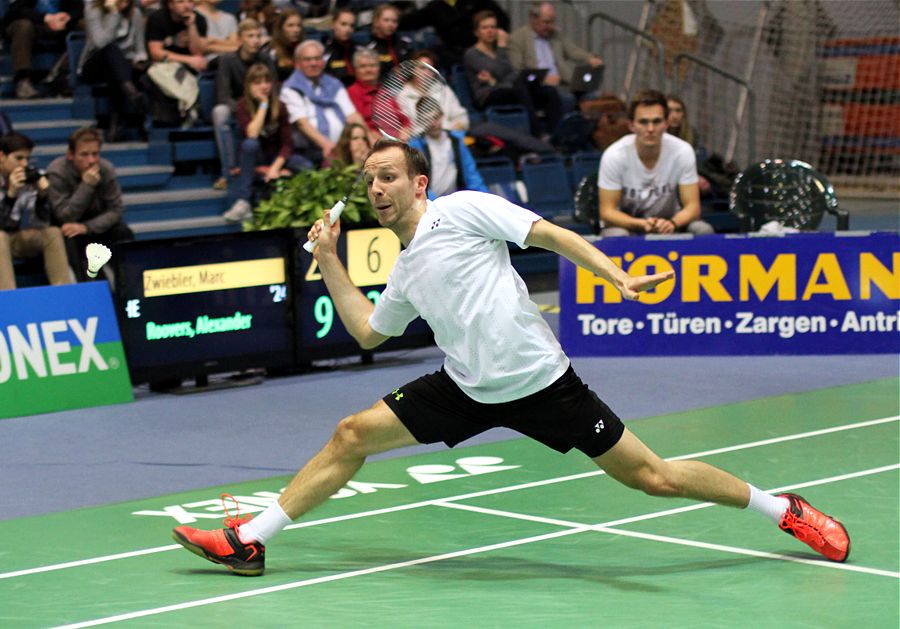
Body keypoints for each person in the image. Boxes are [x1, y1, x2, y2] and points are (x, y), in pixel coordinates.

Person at [172, 138, 851, 576]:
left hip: (544, 385)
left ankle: (782, 507)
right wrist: (327, 259)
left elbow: (548, 233)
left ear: (417, 181)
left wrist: (612, 274)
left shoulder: (463, 210)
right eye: (368, 180)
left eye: (387, 176)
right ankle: (251, 539)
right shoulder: (407, 267)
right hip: (465, 388)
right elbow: (368, 334)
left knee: (654, 478)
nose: (375, 188)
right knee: (351, 432)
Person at [598, 89, 714, 237]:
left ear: (666, 124)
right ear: (631, 125)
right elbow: (607, 212)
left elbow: (693, 207)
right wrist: (640, 224)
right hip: (629, 226)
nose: (651, 129)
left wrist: (673, 223)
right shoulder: (614, 155)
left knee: (703, 230)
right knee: (616, 234)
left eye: (656, 121)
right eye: (643, 122)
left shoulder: (682, 151)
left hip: (670, 223)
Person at [223, 63, 312, 222]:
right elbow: (252, 133)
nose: (264, 86)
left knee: (305, 165)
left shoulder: (281, 106)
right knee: (250, 144)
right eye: (257, 83)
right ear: (249, 86)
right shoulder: (242, 106)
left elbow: (287, 144)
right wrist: (264, 105)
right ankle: (244, 202)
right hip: (253, 158)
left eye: (267, 81)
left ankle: (303, 206)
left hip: (276, 158)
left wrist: (274, 168)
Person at [46, 127, 134, 281]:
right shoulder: (57, 172)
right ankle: (89, 288)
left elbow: (116, 210)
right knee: (69, 239)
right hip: (70, 229)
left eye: (95, 154)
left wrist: (87, 228)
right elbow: (65, 216)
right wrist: (86, 187)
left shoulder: (106, 169)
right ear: (70, 155)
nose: (91, 160)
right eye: (84, 155)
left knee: (123, 232)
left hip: (96, 227)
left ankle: (129, 285)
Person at [463, 9, 562, 137]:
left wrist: (495, 80)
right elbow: (499, 71)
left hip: (508, 89)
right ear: (477, 32)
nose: (490, 31)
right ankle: (537, 134)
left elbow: (512, 74)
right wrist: (502, 47)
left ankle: (556, 134)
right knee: (519, 89)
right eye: (485, 28)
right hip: (488, 95)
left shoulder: (498, 51)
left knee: (549, 91)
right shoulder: (472, 54)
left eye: (493, 27)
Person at [0, 132, 73, 290]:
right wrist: (11, 196)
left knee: (52, 232)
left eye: (27, 158)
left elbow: (40, 223)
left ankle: (65, 293)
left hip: (14, 238)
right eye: (19, 158)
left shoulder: (28, 178)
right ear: (2, 156)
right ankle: (7, 299)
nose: (24, 164)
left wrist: (41, 197)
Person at [212, 18, 275, 190]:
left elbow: (274, 89)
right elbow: (223, 96)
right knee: (220, 112)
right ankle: (227, 172)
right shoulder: (227, 60)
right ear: (240, 39)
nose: (256, 40)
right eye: (250, 36)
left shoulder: (265, 59)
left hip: (262, 106)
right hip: (237, 107)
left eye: (258, 36)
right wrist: (245, 108)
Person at [280, 39, 366, 166]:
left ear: (323, 61)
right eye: (308, 59)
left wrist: (369, 137)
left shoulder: (333, 83)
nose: (313, 63)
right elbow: (302, 124)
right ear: (298, 63)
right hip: (310, 150)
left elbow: (352, 115)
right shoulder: (291, 88)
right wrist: (327, 145)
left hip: (342, 147)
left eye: (317, 58)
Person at [507, 1, 603, 113]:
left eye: (553, 22)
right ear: (533, 19)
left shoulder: (556, 34)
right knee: (567, 99)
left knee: (592, 96)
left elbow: (572, 50)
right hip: (539, 86)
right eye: (546, 22)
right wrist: (543, 79)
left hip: (562, 81)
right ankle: (562, 128)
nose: (551, 26)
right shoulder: (518, 38)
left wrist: (590, 58)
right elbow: (517, 69)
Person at [79, 0, 149, 143]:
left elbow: (140, 48)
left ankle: (117, 124)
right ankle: (132, 95)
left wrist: (139, 60)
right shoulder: (93, 10)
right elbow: (100, 43)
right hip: (95, 64)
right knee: (112, 51)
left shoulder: (135, 13)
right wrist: (114, 13)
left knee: (121, 74)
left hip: (123, 69)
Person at [144, 0, 210, 126]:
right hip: (164, 65)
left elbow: (198, 52)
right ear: (171, 5)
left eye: (190, 1)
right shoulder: (158, 18)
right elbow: (156, 53)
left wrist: (192, 26)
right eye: (180, 1)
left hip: (190, 68)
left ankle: (189, 106)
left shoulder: (199, 19)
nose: (186, 5)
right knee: (157, 72)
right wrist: (189, 60)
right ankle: (189, 104)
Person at [3, 0, 84, 99]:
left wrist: (68, 18)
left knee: (82, 25)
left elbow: (79, 8)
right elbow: (16, 10)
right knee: (23, 26)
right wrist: (46, 18)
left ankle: (64, 75)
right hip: (33, 23)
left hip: (59, 24)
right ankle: (22, 80)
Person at [398, 0, 510, 71]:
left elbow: (502, 18)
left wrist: (499, 32)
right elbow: (411, 21)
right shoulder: (435, 7)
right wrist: (394, 17)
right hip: (451, 51)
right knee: (427, 56)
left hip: (478, 48)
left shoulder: (478, 2)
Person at [408, 98, 487, 198]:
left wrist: (485, 198)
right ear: (420, 121)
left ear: (442, 115)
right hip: (429, 203)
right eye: (427, 120)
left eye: (435, 117)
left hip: (456, 200)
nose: (433, 123)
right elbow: (417, 182)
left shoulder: (456, 140)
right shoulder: (415, 146)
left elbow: (472, 176)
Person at [397, 50, 469, 134]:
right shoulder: (403, 96)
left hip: (448, 137)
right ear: (412, 70)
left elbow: (460, 116)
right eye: (422, 68)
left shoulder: (443, 89)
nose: (426, 73)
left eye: (430, 69)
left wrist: (457, 126)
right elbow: (408, 129)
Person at [363, 3, 413, 80]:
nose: (391, 24)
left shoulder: (405, 43)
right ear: (376, 22)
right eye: (386, 20)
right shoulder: (368, 47)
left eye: (394, 21)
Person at [346, 48, 383, 141]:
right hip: (369, 140)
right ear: (355, 70)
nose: (368, 70)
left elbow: (403, 119)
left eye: (373, 65)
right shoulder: (351, 93)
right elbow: (358, 124)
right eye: (363, 66)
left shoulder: (385, 90)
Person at [195, 0, 240, 68]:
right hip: (205, 64)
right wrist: (230, 45)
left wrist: (214, 41)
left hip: (231, 61)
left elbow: (236, 44)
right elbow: (201, 47)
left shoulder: (229, 18)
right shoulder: (193, 16)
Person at [263, 8, 304, 82]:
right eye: (290, 25)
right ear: (281, 28)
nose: (296, 30)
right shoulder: (271, 52)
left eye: (299, 25)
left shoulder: (305, 49)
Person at [323, 7, 358, 87]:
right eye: (343, 24)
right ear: (332, 25)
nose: (348, 29)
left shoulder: (359, 50)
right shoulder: (324, 52)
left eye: (351, 26)